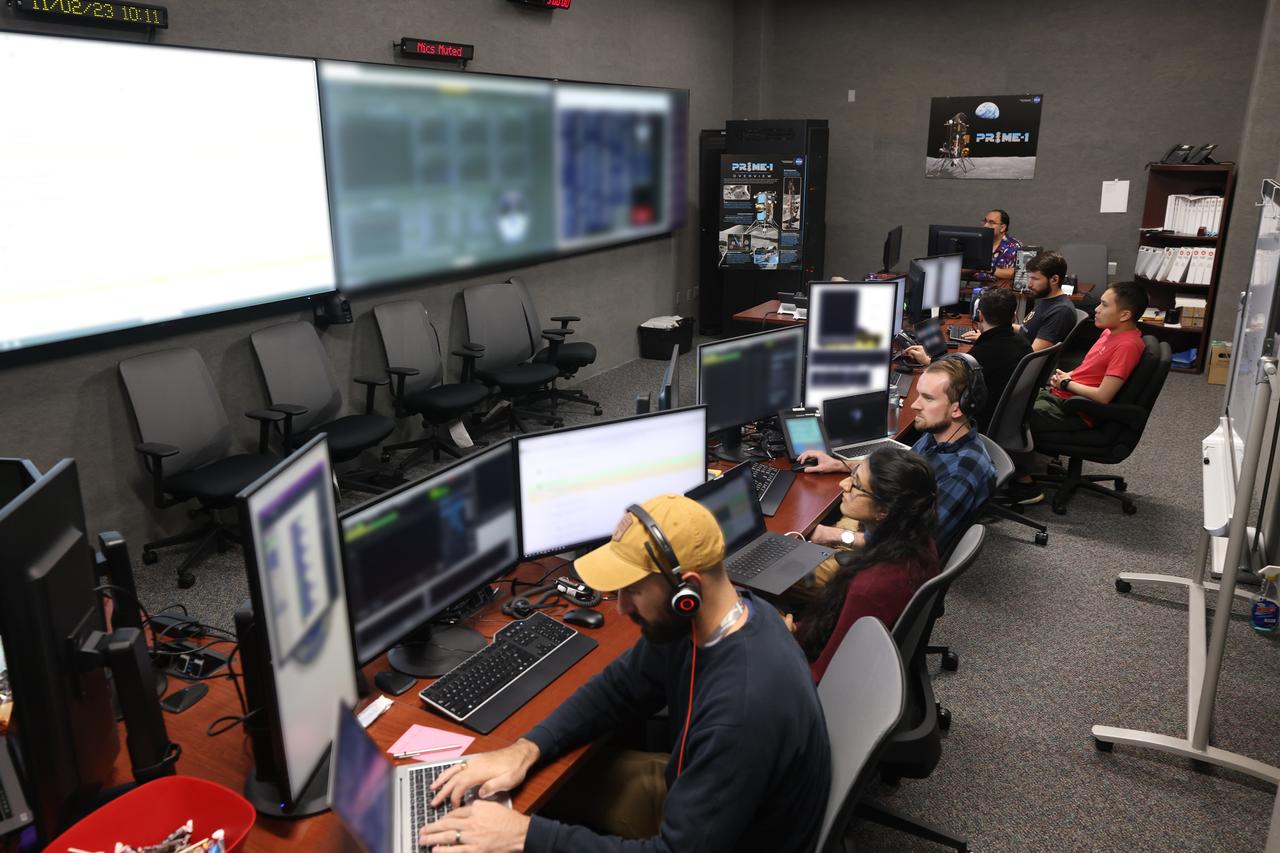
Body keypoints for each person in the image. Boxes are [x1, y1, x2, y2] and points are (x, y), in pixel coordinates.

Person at [420, 495, 832, 853]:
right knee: (526, 792)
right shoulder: (722, 611)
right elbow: (619, 687)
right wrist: (525, 749)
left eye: (632, 590)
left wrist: (524, 836)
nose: (619, 608)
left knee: (523, 820)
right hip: (704, 804)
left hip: (733, 841)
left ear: (687, 588)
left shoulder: (742, 711)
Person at [798, 356, 995, 555]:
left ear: (958, 407)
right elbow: (899, 473)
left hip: (880, 555)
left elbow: (910, 547)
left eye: (928, 398)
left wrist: (835, 536)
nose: (915, 405)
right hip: (881, 521)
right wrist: (841, 464)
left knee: (784, 567)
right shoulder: (937, 437)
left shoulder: (960, 474)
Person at [792, 446, 940, 682]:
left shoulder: (869, 587)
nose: (844, 485)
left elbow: (822, 673)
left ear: (883, 511)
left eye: (856, 484)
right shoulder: (919, 540)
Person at [1005, 281, 1149, 504]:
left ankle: (1024, 485)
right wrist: (1067, 376)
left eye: (1104, 305)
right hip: (1063, 395)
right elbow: (1088, 370)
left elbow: (1103, 396)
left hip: (1075, 410)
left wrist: (1066, 384)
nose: (1096, 310)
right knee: (1008, 396)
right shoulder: (1110, 332)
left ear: (1124, 314)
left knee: (1007, 415)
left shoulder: (1127, 346)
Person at [904, 288, 1031, 431]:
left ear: (980, 316)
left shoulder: (981, 354)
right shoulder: (1024, 344)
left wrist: (928, 360)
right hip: (1007, 417)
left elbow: (951, 376)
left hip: (980, 421)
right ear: (1014, 317)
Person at [1015, 250, 1077, 351]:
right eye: (1028, 278)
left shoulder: (1060, 311)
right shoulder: (1044, 298)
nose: (1029, 284)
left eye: (1035, 279)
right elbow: (1027, 331)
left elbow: (1033, 356)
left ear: (1054, 280)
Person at [968, 209, 1022, 285]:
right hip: (977, 288)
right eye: (985, 221)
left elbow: (1017, 273)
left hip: (1002, 291)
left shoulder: (1013, 246)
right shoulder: (979, 243)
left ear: (1002, 227)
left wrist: (991, 270)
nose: (985, 225)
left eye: (991, 222)